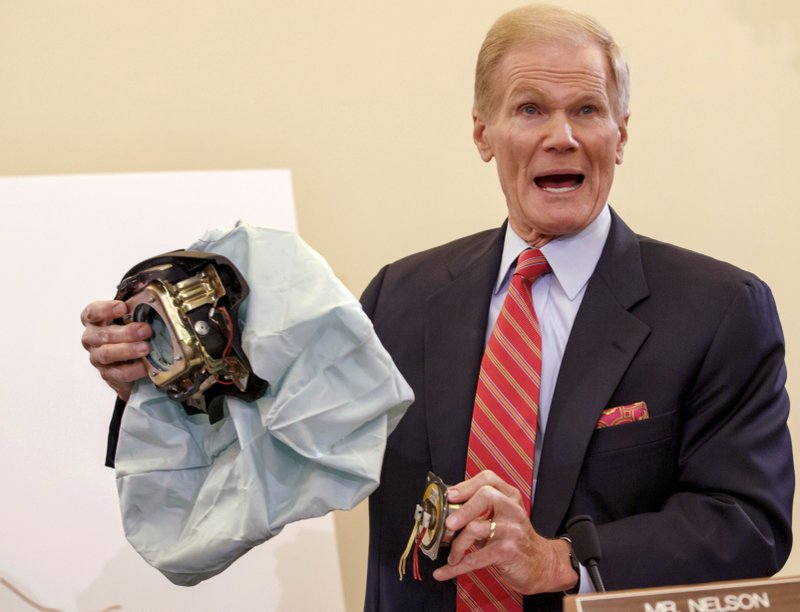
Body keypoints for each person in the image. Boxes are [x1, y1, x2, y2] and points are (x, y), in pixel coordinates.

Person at [81, 5, 793, 611]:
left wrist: (558, 559)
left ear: (621, 134)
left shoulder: (720, 309)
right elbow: (268, 453)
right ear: (483, 135)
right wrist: (158, 382)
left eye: (587, 110)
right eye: (530, 109)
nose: (563, 136)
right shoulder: (400, 297)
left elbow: (748, 524)